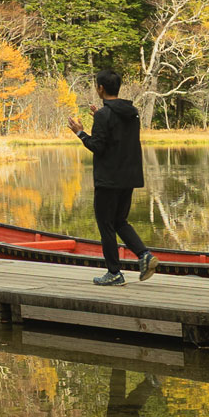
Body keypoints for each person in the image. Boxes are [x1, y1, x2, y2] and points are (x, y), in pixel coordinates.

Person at [68, 72, 155, 285]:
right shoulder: (131, 113)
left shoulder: (104, 115)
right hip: (129, 177)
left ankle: (114, 273)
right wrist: (100, 117)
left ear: (100, 88)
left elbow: (97, 147)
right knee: (119, 221)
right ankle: (144, 255)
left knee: (106, 224)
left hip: (108, 178)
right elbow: (118, 137)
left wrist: (80, 133)